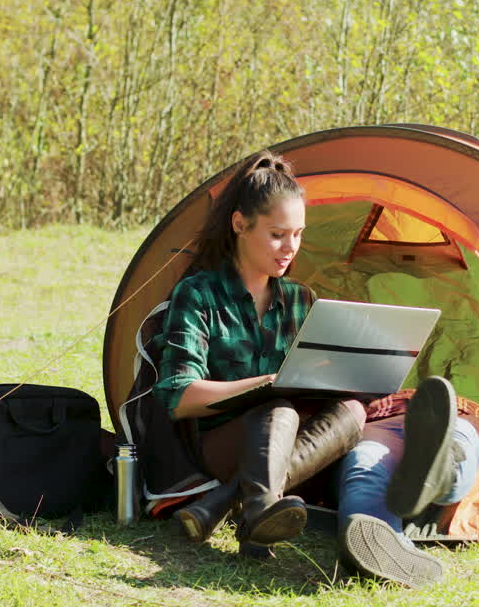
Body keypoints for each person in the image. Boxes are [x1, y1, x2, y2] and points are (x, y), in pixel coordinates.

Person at [152, 150, 366, 551]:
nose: (290, 247)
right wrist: (265, 384)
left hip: (292, 442)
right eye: (277, 234)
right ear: (240, 224)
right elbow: (179, 397)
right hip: (221, 443)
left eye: (298, 234)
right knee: (277, 408)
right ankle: (253, 506)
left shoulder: (301, 299)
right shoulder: (198, 294)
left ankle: (233, 505)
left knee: (353, 410)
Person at [336, 375, 479, 588]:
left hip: (452, 415)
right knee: (364, 463)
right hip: (379, 420)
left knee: (455, 442)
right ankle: (379, 544)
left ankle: (438, 464)